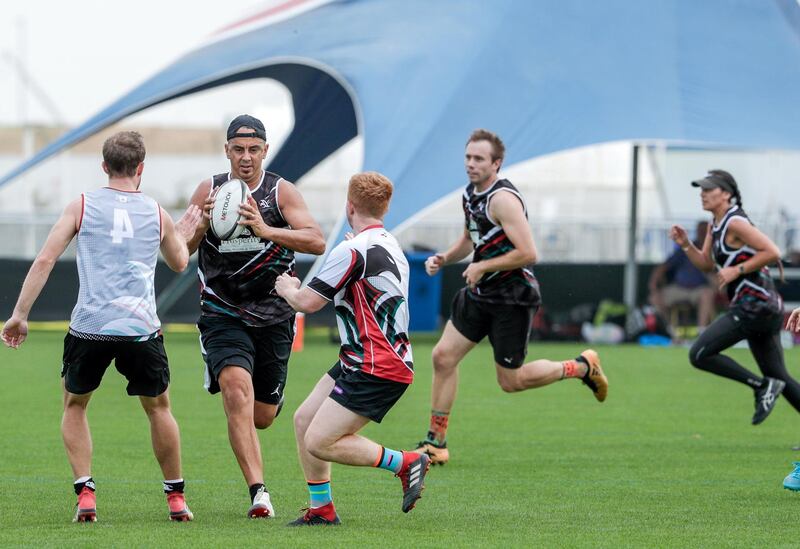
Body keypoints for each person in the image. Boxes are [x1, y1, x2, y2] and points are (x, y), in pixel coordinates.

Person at [1, 131, 201, 522]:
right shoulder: (156, 212)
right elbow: (180, 262)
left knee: (75, 404)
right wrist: (183, 230)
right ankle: (176, 498)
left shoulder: (82, 205)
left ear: (104, 166)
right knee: (159, 408)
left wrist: (20, 315)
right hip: (140, 329)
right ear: (141, 168)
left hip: (90, 327)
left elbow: (44, 260)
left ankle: (86, 494)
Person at [414, 129, 609, 465]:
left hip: (511, 298)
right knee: (443, 358)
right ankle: (436, 443)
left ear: (496, 163)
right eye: (468, 157)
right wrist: (445, 257)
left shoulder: (502, 199)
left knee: (511, 381)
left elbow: (528, 252)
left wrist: (482, 266)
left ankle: (580, 367)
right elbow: (470, 238)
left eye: (479, 159)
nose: (471, 164)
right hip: (479, 293)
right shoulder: (469, 195)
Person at [186, 114, 326, 518]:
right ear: (226, 150)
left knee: (262, 416)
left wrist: (267, 230)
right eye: (237, 149)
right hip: (221, 312)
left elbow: (315, 240)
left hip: (274, 314)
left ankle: (267, 405)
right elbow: (178, 250)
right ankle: (259, 493)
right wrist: (202, 224)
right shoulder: (209, 190)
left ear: (264, 150)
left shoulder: (280, 192)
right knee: (235, 392)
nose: (245, 158)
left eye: (253, 149)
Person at [275, 171, 430, 526]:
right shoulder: (388, 244)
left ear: (349, 206)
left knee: (320, 441)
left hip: (376, 366)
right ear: (384, 208)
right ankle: (321, 510)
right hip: (362, 358)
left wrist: (286, 286)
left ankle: (406, 463)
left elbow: (306, 303)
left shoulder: (352, 251)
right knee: (304, 420)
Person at [672, 169, 800, 425]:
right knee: (779, 375)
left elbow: (773, 251)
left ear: (727, 194)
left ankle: (761, 386)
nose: (703, 194)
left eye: (709, 189)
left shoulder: (735, 223)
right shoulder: (715, 224)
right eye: (701, 189)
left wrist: (736, 270)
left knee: (699, 354)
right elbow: (707, 264)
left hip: (755, 307)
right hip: (761, 308)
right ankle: (767, 384)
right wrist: (686, 244)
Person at [648, 220, 716, 330]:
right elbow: (664, 266)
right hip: (679, 287)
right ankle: (669, 331)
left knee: (707, 294)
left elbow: (717, 276)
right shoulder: (686, 247)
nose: (702, 234)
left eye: (705, 231)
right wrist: (653, 284)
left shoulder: (715, 249)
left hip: (699, 289)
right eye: (700, 231)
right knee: (654, 298)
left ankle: (702, 331)